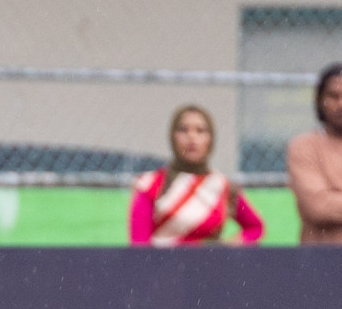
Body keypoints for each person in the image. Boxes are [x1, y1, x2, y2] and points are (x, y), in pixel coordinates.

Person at [128, 104, 263, 247]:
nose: (192, 137)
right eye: (183, 130)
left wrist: (226, 247)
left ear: (210, 138)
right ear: (172, 136)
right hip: (163, 267)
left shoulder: (223, 186)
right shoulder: (150, 184)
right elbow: (139, 247)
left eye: (200, 131)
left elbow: (255, 228)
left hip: (210, 268)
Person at [287, 63, 342, 245]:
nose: (340, 104)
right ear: (320, 100)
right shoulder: (303, 146)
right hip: (320, 263)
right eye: (334, 96)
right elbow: (317, 206)